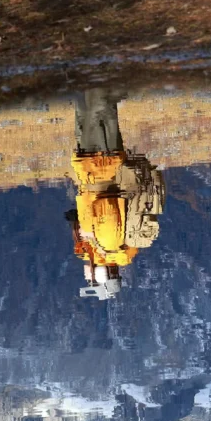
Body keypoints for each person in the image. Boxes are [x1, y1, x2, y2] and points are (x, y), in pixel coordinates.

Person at [66, 88, 165, 301]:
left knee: (84, 106)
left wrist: (82, 227)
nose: (86, 276)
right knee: (98, 107)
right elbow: (107, 206)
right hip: (101, 164)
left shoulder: (95, 249)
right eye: (90, 280)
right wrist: (90, 231)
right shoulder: (108, 245)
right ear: (100, 277)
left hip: (92, 165)